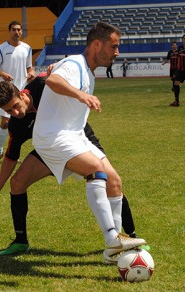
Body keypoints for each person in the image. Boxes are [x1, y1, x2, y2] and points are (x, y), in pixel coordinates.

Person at [0, 74, 148, 260]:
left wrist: (54, 71)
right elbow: (10, 157)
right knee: (17, 183)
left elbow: (60, 76)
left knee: (112, 181)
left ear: (22, 95)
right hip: (51, 150)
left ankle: (132, 238)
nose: (15, 113)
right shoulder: (16, 124)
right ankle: (20, 240)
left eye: (16, 106)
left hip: (79, 138)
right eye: (9, 111)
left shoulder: (42, 86)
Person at [32, 21, 147, 264]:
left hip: (74, 135)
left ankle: (115, 251)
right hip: (53, 136)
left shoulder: (87, 71)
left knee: (114, 180)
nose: (117, 52)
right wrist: (82, 94)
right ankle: (112, 238)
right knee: (95, 170)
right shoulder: (74, 63)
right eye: (113, 46)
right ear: (97, 44)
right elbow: (52, 80)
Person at [0, 20, 36, 164]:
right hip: (7, 92)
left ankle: (13, 153)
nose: (17, 32)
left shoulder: (27, 48)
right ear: (9, 31)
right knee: (5, 122)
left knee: (20, 123)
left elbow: (29, 67)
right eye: (14, 30)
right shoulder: (1, 49)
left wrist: (32, 72)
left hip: (21, 92)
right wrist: (2, 73)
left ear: (22, 31)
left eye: (19, 30)